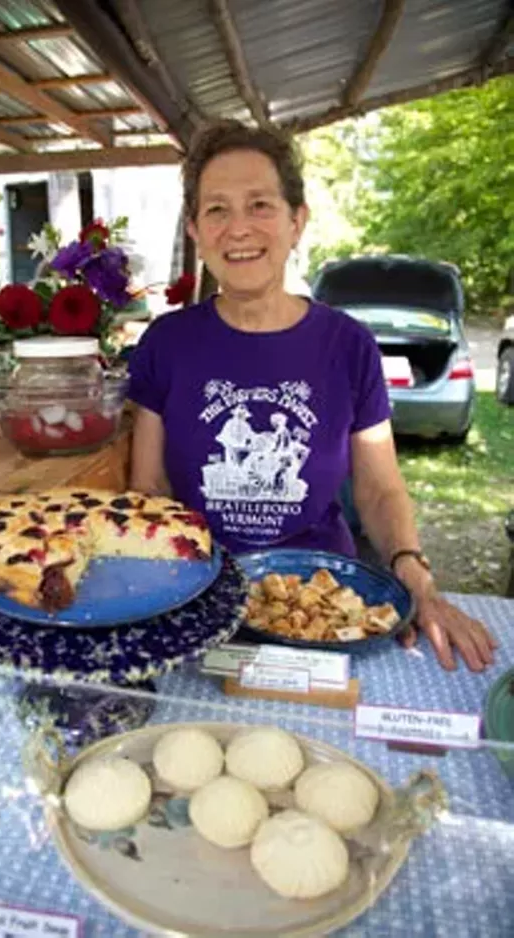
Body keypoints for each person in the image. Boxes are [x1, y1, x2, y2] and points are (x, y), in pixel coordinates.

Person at [127, 118, 496, 674]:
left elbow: (378, 489)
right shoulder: (166, 343)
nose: (239, 228)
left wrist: (415, 576)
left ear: (296, 221)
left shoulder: (349, 346)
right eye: (217, 209)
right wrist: (169, 595)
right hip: (199, 602)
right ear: (196, 230)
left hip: (321, 602)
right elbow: (149, 489)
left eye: (260, 205)